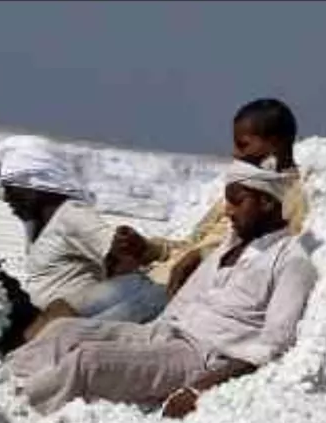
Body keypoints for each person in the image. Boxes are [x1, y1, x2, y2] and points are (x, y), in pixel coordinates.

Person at [4, 161, 317, 419]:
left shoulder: (290, 262)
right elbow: (181, 304)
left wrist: (199, 388)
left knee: (88, 360)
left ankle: (13, 412)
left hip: (199, 357)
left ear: (265, 202)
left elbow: (270, 348)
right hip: (165, 332)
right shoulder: (228, 248)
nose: (229, 212)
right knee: (64, 331)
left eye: (237, 201)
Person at [115, 97, 310, 300]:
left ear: (275, 144)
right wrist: (148, 248)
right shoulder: (241, 186)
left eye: (243, 145)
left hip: (179, 293)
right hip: (153, 278)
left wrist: (202, 257)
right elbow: (192, 244)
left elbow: (270, 253)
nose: (235, 153)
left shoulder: (289, 195)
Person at [0, 135, 168, 355]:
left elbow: (119, 257)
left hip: (64, 319)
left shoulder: (72, 215)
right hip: (37, 317)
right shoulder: (34, 224)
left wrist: (126, 249)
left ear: (35, 184)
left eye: (12, 189)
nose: (7, 198)